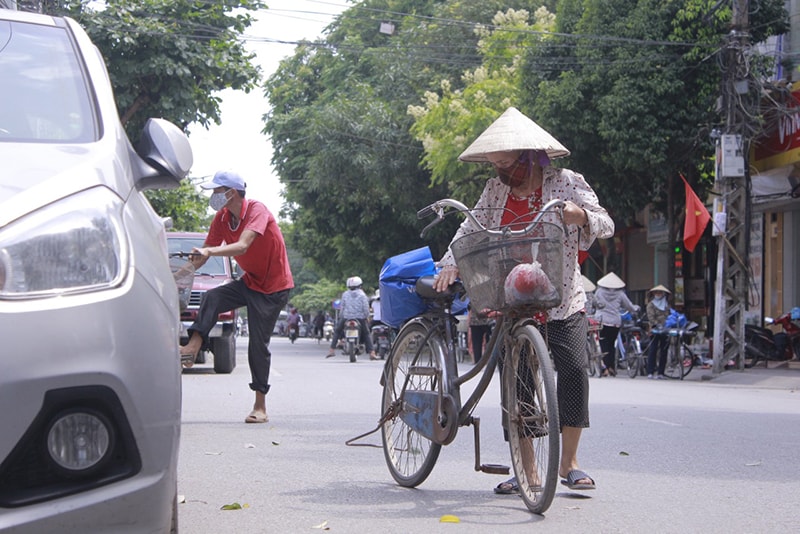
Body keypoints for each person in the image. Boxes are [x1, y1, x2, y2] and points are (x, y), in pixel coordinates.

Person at [432, 107, 614, 493]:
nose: (501, 171)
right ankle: (527, 465)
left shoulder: (566, 182)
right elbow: (470, 227)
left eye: (507, 163)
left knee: (574, 369)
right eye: (496, 163)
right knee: (518, 383)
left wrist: (579, 215)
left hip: (561, 297)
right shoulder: (495, 190)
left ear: (530, 157)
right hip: (510, 298)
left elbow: (605, 222)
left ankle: (569, 462)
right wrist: (451, 263)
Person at [179, 170, 293, 424]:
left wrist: (209, 249)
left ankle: (260, 406)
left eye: (217, 191)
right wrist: (180, 274)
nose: (213, 196)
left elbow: (242, 246)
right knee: (213, 297)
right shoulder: (221, 218)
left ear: (231, 193)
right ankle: (193, 347)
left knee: (257, 345)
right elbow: (203, 256)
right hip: (250, 281)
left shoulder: (257, 211)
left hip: (274, 288)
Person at [594, 272, 639, 377]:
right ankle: (611, 367)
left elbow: (595, 304)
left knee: (603, 343)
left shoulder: (599, 292)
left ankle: (604, 367)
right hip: (615, 322)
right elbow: (629, 306)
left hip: (602, 321)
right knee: (611, 345)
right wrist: (635, 309)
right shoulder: (620, 294)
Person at [326, 276, 377, 360]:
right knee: (367, 333)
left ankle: (331, 350)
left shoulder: (345, 294)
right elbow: (365, 308)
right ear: (360, 285)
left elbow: (342, 307)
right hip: (360, 318)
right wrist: (367, 316)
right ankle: (371, 353)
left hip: (346, 317)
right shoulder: (362, 295)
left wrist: (341, 317)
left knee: (337, 331)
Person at [645, 285, 671, 379]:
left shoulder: (666, 304)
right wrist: (657, 324)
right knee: (653, 350)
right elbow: (651, 318)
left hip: (665, 329)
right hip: (655, 330)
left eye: (660, 293)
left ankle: (661, 372)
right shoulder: (651, 305)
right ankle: (650, 371)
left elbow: (669, 315)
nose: (658, 294)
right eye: (656, 293)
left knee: (664, 350)